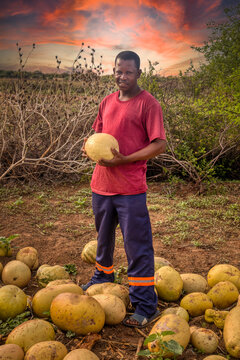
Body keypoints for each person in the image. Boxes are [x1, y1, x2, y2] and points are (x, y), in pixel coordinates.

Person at [82, 50, 166, 328]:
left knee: (137, 245)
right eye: (118, 71)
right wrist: (89, 147)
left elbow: (159, 144)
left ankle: (144, 304)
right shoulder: (106, 102)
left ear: (139, 73)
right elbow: (98, 136)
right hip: (102, 185)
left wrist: (126, 159)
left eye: (128, 72)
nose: (122, 76)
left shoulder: (148, 104)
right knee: (103, 240)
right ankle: (102, 278)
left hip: (130, 189)